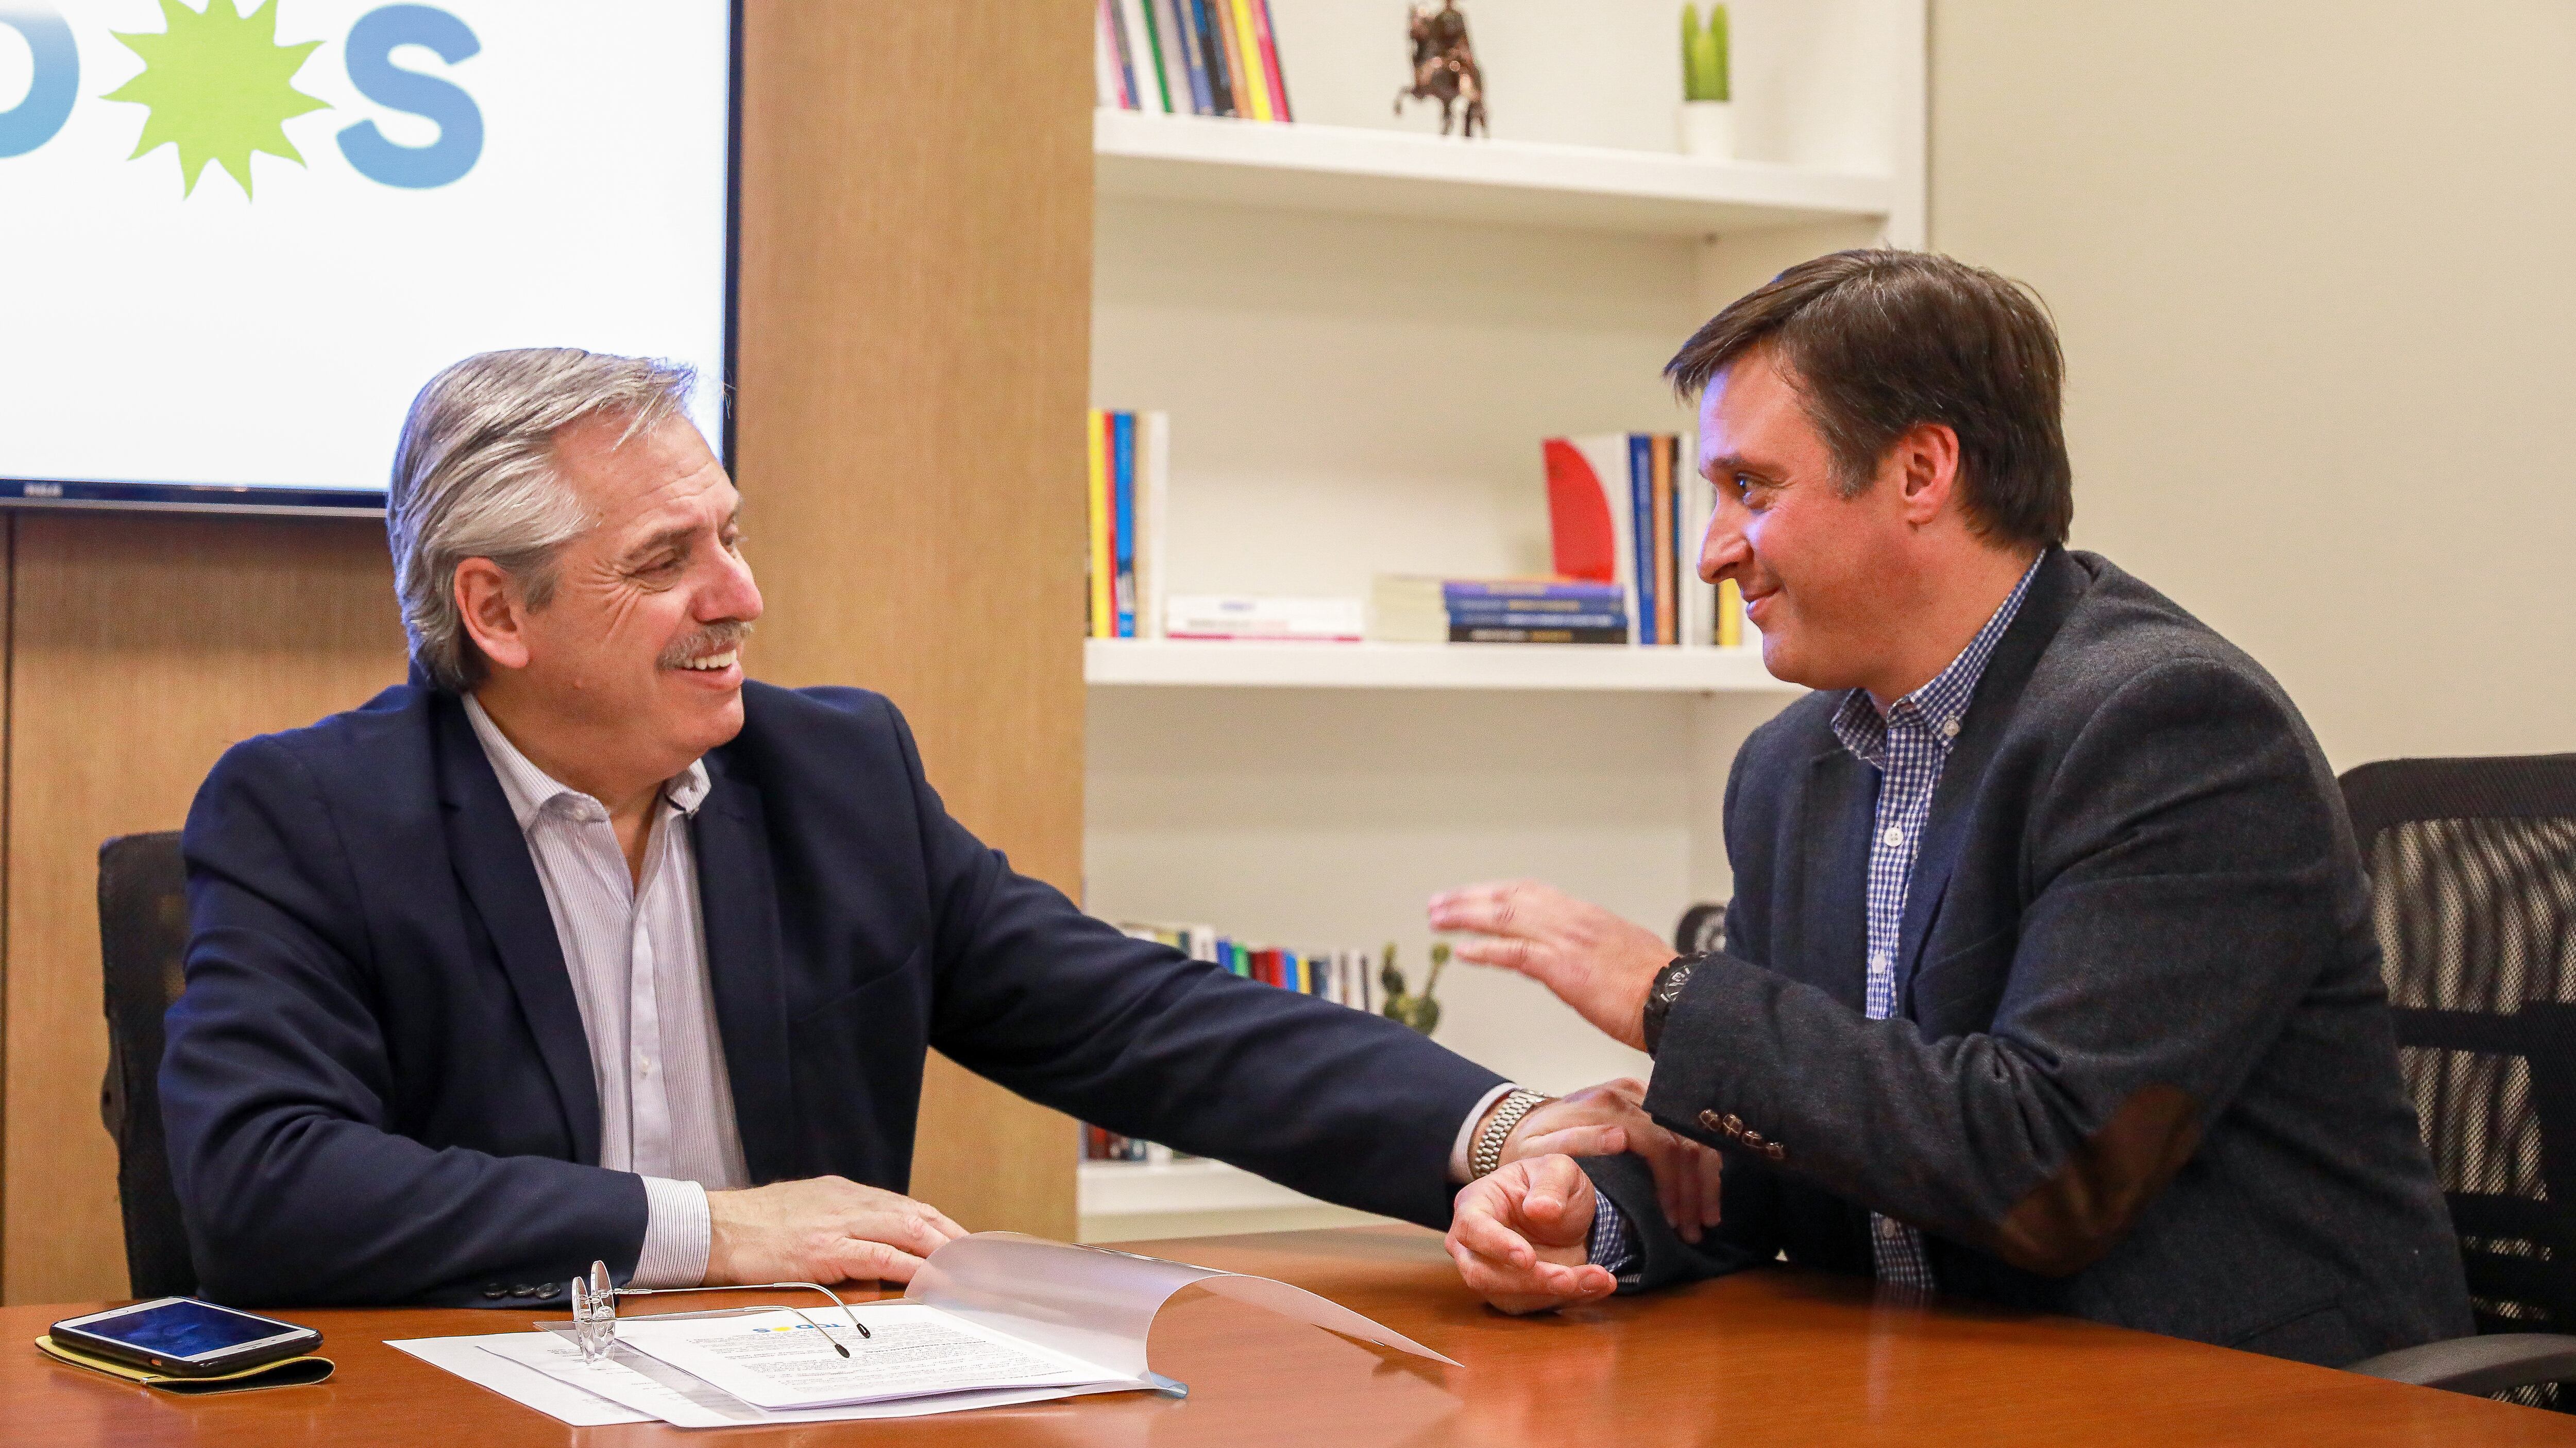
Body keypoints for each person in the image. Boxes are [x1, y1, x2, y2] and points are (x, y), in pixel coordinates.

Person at [161, 348, 1723, 1307]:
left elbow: (1139, 1018)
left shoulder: (830, 772)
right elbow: (266, 1185)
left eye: (734, 534)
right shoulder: (312, 814)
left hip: (805, 1406)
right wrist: (710, 1230)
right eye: (667, 559)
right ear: (495, 607)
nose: (742, 596)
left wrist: (1495, 1130)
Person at [1430, 250, 2472, 1364]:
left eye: (1753, 488)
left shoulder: (2169, 725)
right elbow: (1820, 1149)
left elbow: (2045, 1168)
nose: (1711, 551)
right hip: (1940, 1383)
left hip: (2253, 1396)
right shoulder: (1789, 769)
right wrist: (1594, 1214)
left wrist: (1665, 992)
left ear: (1921, 470)